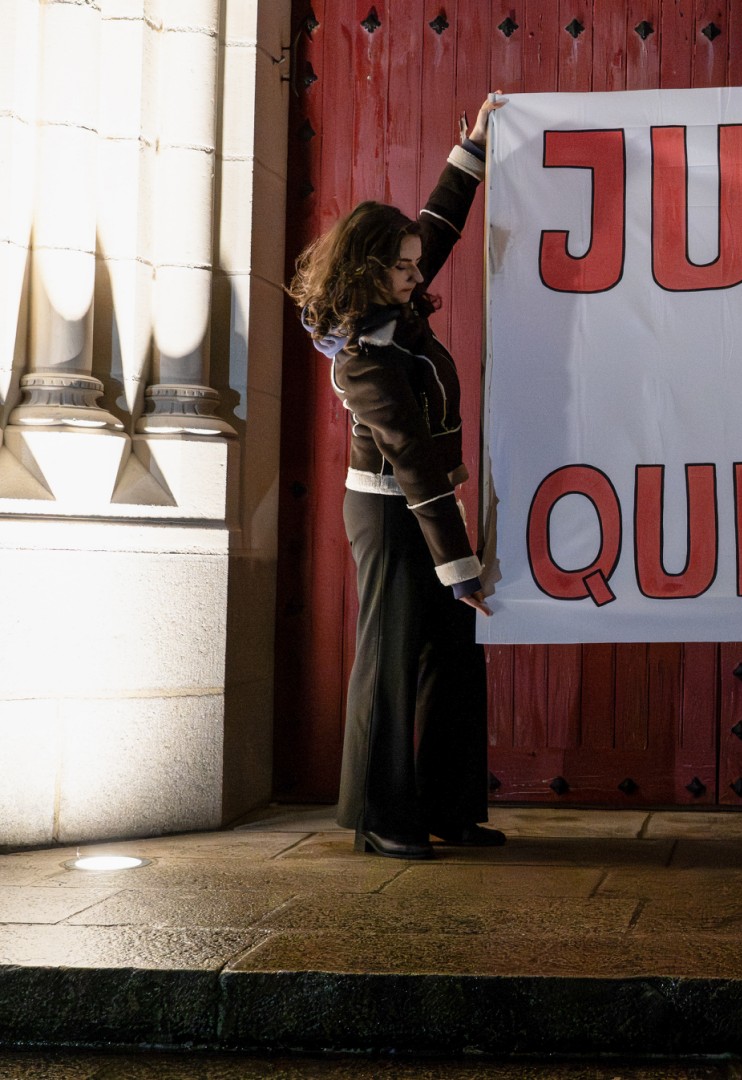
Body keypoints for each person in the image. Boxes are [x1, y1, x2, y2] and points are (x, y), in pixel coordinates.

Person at [286, 92, 507, 860]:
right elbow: (412, 460)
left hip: (424, 502)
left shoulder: (396, 303)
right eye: (405, 266)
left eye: (416, 264)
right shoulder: (364, 357)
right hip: (389, 513)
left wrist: (471, 151)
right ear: (371, 272)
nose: (419, 274)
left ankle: (449, 808)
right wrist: (460, 565)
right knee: (388, 658)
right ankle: (379, 817)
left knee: (455, 653)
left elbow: (437, 224)